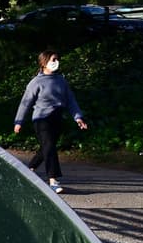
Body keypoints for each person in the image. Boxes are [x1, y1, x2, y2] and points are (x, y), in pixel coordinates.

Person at [13, 50, 88, 193]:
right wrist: (19, 121)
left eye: (57, 59)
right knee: (49, 146)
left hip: (57, 118)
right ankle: (53, 180)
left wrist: (78, 117)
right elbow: (25, 103)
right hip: (41, 119)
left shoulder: (61, 81)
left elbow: (71, 100)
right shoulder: (36, 82)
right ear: (44, 62)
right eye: (53, 60)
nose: (56, 62)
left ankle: (29, 169)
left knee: (47, 147)